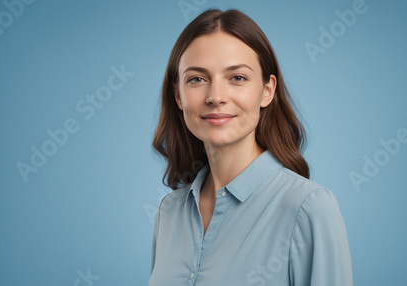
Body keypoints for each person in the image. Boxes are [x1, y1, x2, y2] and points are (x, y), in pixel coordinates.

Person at [149, 8, 352, 286]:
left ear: (267, 90)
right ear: (178, 95)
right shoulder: (169, 212)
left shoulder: (308, 208)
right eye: (197, 79)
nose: (215, 96)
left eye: (237, 78)